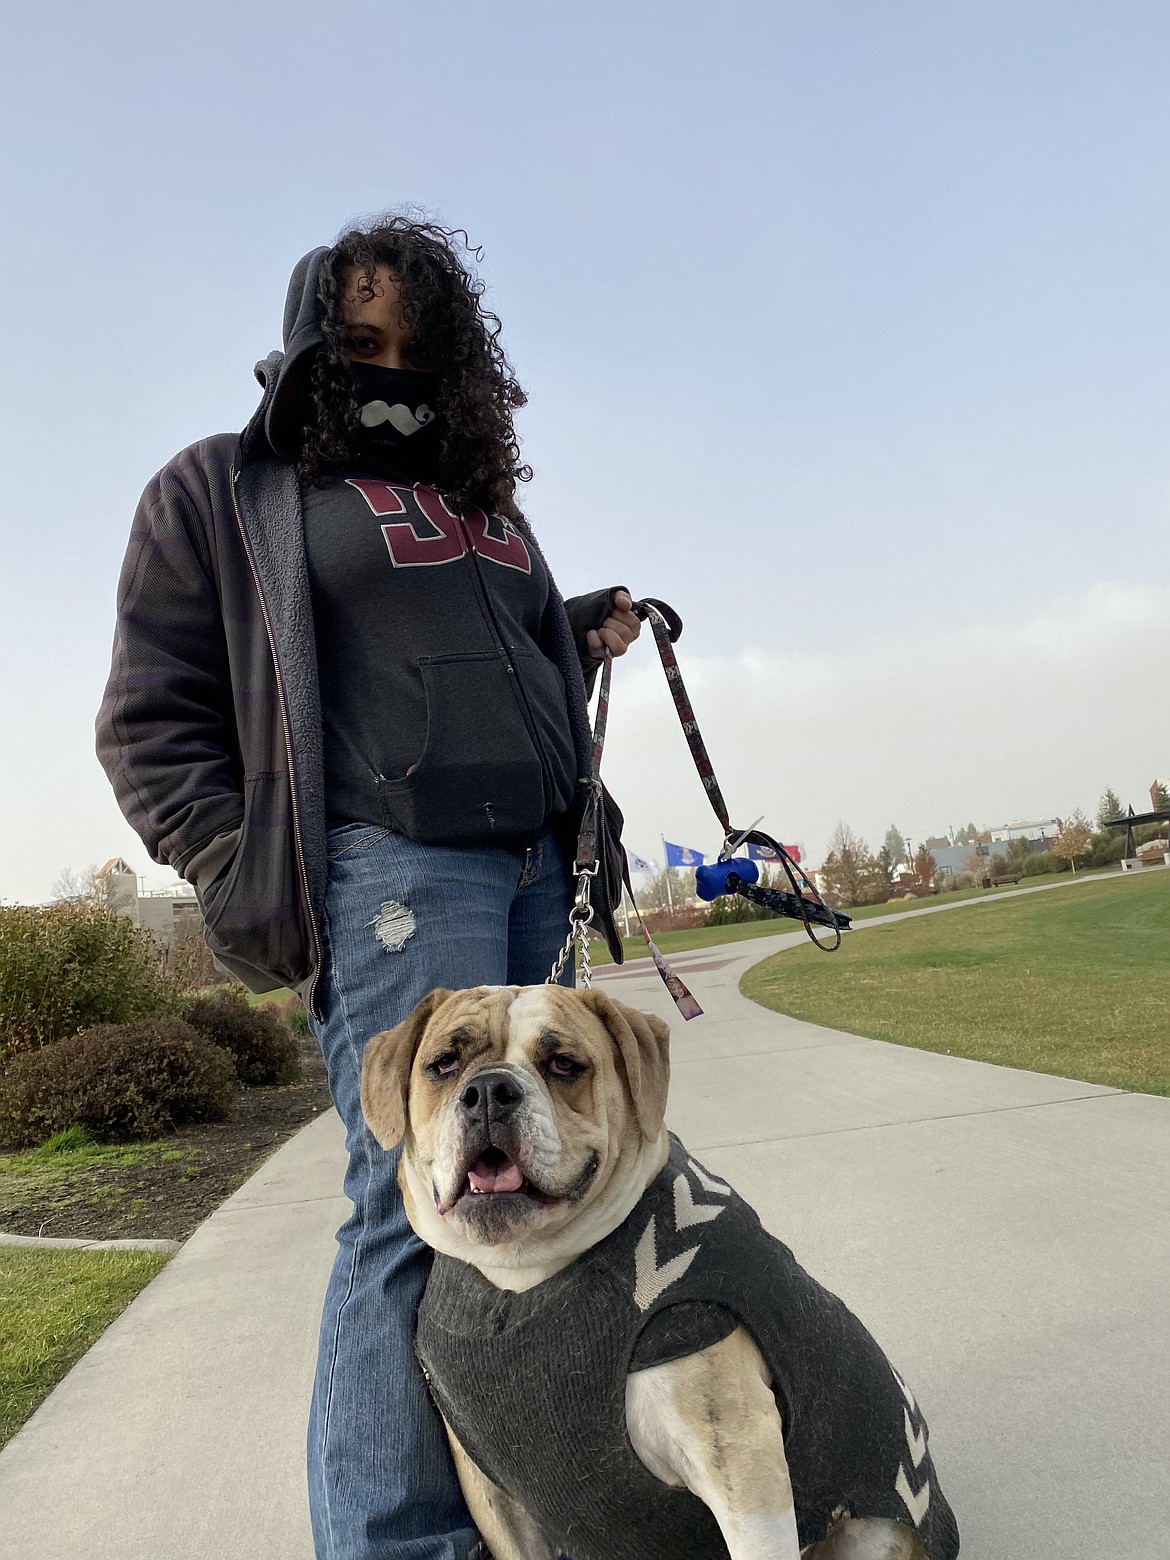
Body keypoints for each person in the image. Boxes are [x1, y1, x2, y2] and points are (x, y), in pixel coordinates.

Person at [96, 213, 642, 1560]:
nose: (390, 368)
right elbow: (149, 721)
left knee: (532, 1191)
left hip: (529, 868)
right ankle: (393, 1542)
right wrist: (245, 865)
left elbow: (481, 666)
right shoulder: (222, 489)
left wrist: (571, 636)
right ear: (305, 349)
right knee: (412, 1203)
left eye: (418, 347)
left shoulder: (481, 506)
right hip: (387, 872)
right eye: (359, 345)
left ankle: (530, 1502)